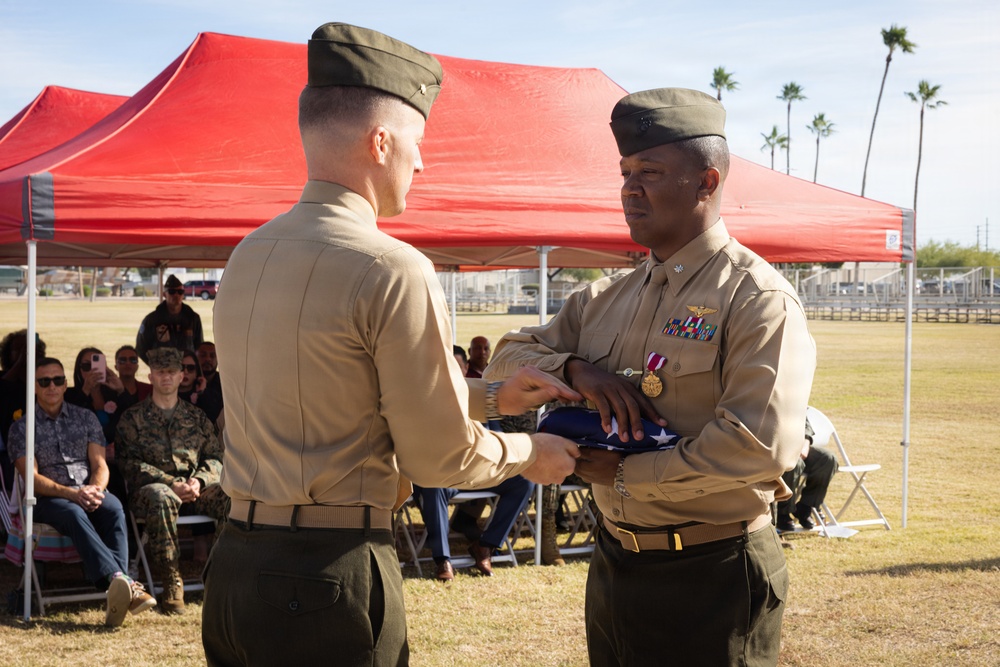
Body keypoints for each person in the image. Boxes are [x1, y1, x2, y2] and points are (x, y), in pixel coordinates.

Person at [203, 23, 580, 666]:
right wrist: (529, 451)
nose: (422, 161)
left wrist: (489, 395)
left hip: (235, 564)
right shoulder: (390, 266)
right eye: (418, 142)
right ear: (381, 142)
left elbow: (333, 392)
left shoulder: (247, 254)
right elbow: (437, 458)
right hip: (328, 572)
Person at [486, 88, 816, 666]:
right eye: (625, 172)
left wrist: (627, 474)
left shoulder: (755, 298)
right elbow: (507, 357)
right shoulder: (606, 296)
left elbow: (761, 446)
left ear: (707, 182)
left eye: (651, 172)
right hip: (615, 559)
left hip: (713, 571)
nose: (629, 189)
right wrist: (575, 369)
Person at [7, 357, 155, 626]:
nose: (52, 386)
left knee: (112, 507)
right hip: (47, 499)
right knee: (73, 512)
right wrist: (72, 494)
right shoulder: (21, 427)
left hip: (86, 491)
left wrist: (96, 490)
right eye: (44, 381)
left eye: (58, 380)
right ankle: (121, 582)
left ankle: (117, 589)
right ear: (35, 387)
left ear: (66, 384)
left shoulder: (84, 417)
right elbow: (32, 478)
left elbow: (100, 464)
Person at [115, 348, 228, 615]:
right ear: (151, 376)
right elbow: (128, 463)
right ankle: (171, 582)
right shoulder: (133, 418)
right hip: (153, 494)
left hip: (195, 491)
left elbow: (215, 456)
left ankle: (219, 577)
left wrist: (199, 481)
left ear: (181, 376)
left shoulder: (196, 417)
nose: (166, 377)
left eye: (172, 372)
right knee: (161, 496)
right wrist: (170, 483)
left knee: (231, 498)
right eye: (160, 372)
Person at [414, 474, 534, 581]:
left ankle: (486, 546)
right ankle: (443, 560)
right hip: (444, 476)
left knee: (524, 481)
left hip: (479, 472)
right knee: (433, 487)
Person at [0, 329, 47, 492]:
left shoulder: (44, 381)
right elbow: (4, 386)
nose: (25, 352)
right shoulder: (4, 378)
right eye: (18, 349)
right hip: (10, 448)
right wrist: (21, 360)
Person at [776, 416, 838, 532]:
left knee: (827, 459)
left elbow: (804, 423)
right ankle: (782, 512)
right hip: (772, 449)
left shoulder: (792, 398)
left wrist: (805, 445)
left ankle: (806, 507)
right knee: (795, 462)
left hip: (795, 446)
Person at [135, 274, 204, 364]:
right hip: (163, 371)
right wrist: (155, 366)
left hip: (186, 371)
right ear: (164, 294)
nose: (176, 295)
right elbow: (141, 348)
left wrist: (192, 367)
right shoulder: (152, 319)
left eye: (180, 292)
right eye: (172, 291)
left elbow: (199, 347)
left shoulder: (193, 318)